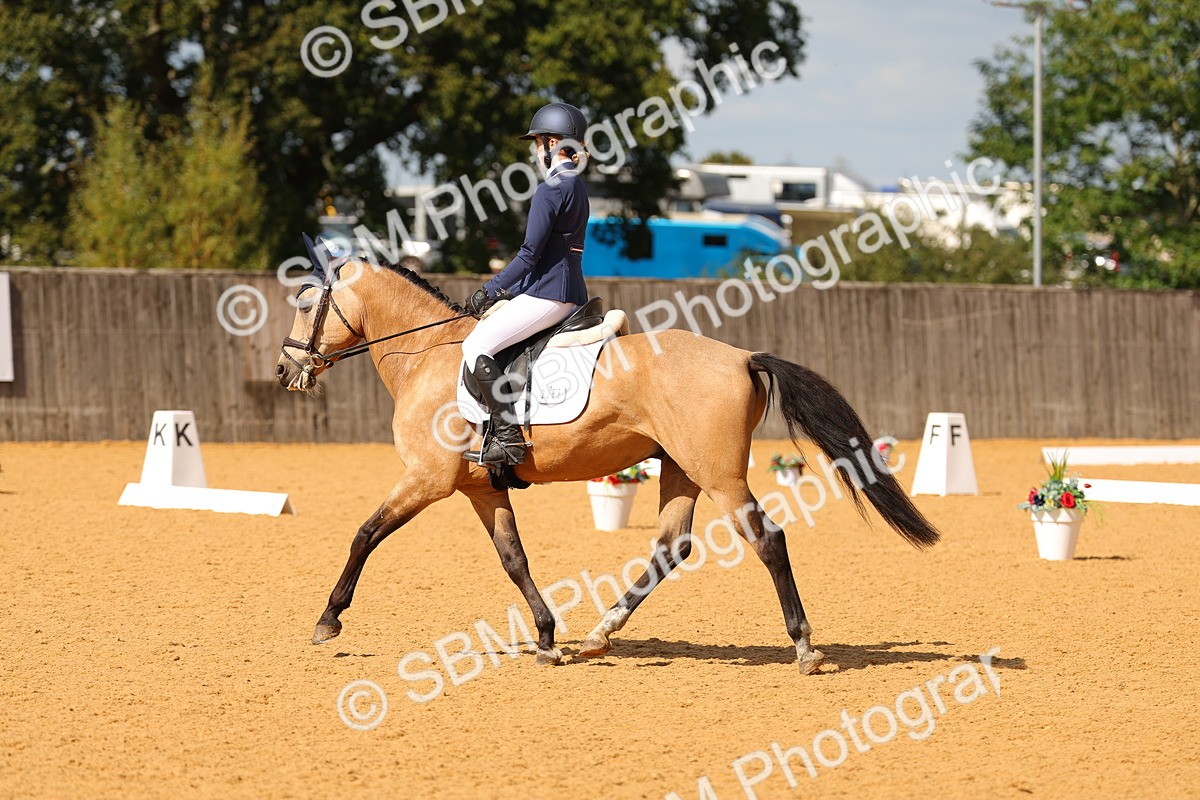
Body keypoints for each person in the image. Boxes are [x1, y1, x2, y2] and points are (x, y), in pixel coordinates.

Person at [461, 102, 591, 467]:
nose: (534, 150)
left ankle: (508, 439)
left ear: (553, 143)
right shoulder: (576, 185)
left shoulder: (550, 189)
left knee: (476, 344)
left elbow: (529, 254)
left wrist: (489, 290)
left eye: (537, 142)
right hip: (568, 292)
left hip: (549, 294)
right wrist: (510, 292)